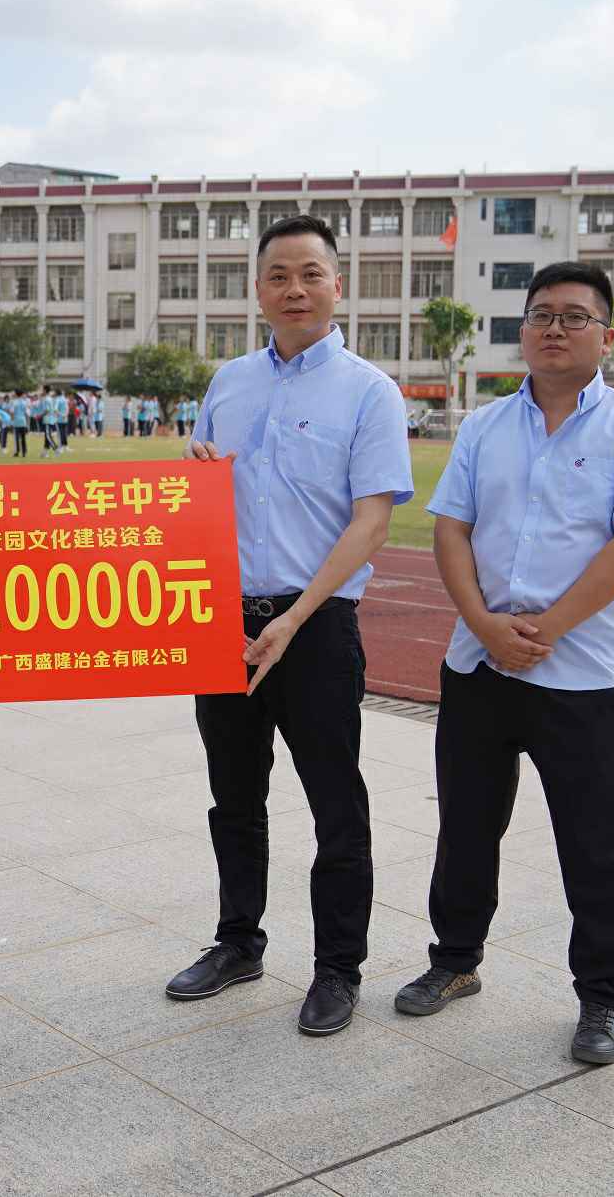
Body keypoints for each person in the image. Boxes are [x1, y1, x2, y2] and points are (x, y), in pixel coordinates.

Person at [394, 260, 614, 1066]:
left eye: (574, 316)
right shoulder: (485, 426)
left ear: (605, 336)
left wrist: (543, 628)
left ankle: (602, 999)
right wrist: (484, 625)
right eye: (541, 314)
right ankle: (454, 961)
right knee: (466, 827)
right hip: (477, 666)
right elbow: (449, 528)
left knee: (598, 845)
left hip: (578, 673)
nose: (555, 328)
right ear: (522, 330)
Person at [170, 213, 412, 1038]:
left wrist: (295, 617)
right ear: (257, 290)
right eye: (278, 275)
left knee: (334, 805)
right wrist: (195, 477)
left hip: (314, 627)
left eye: (310, 273)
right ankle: (237, 943)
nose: (294, 289)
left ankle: (337, 969)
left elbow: (371, 522)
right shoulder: (229, 383)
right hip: (221, 625)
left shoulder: (368, 391)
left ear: (337, 285)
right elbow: (198, 500)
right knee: (233, 799)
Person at [9, 391, 30, 458]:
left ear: (16, 394)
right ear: (21, 394)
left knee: (16, 438)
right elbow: (27, 413)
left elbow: (12, 412)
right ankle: (24, 452)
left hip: (16, 421)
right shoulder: (24, 402)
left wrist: (11, 421)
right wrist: (27, 423)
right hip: (23, 421)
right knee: (23, 438)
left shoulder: (14, 402)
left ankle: (17, 452)